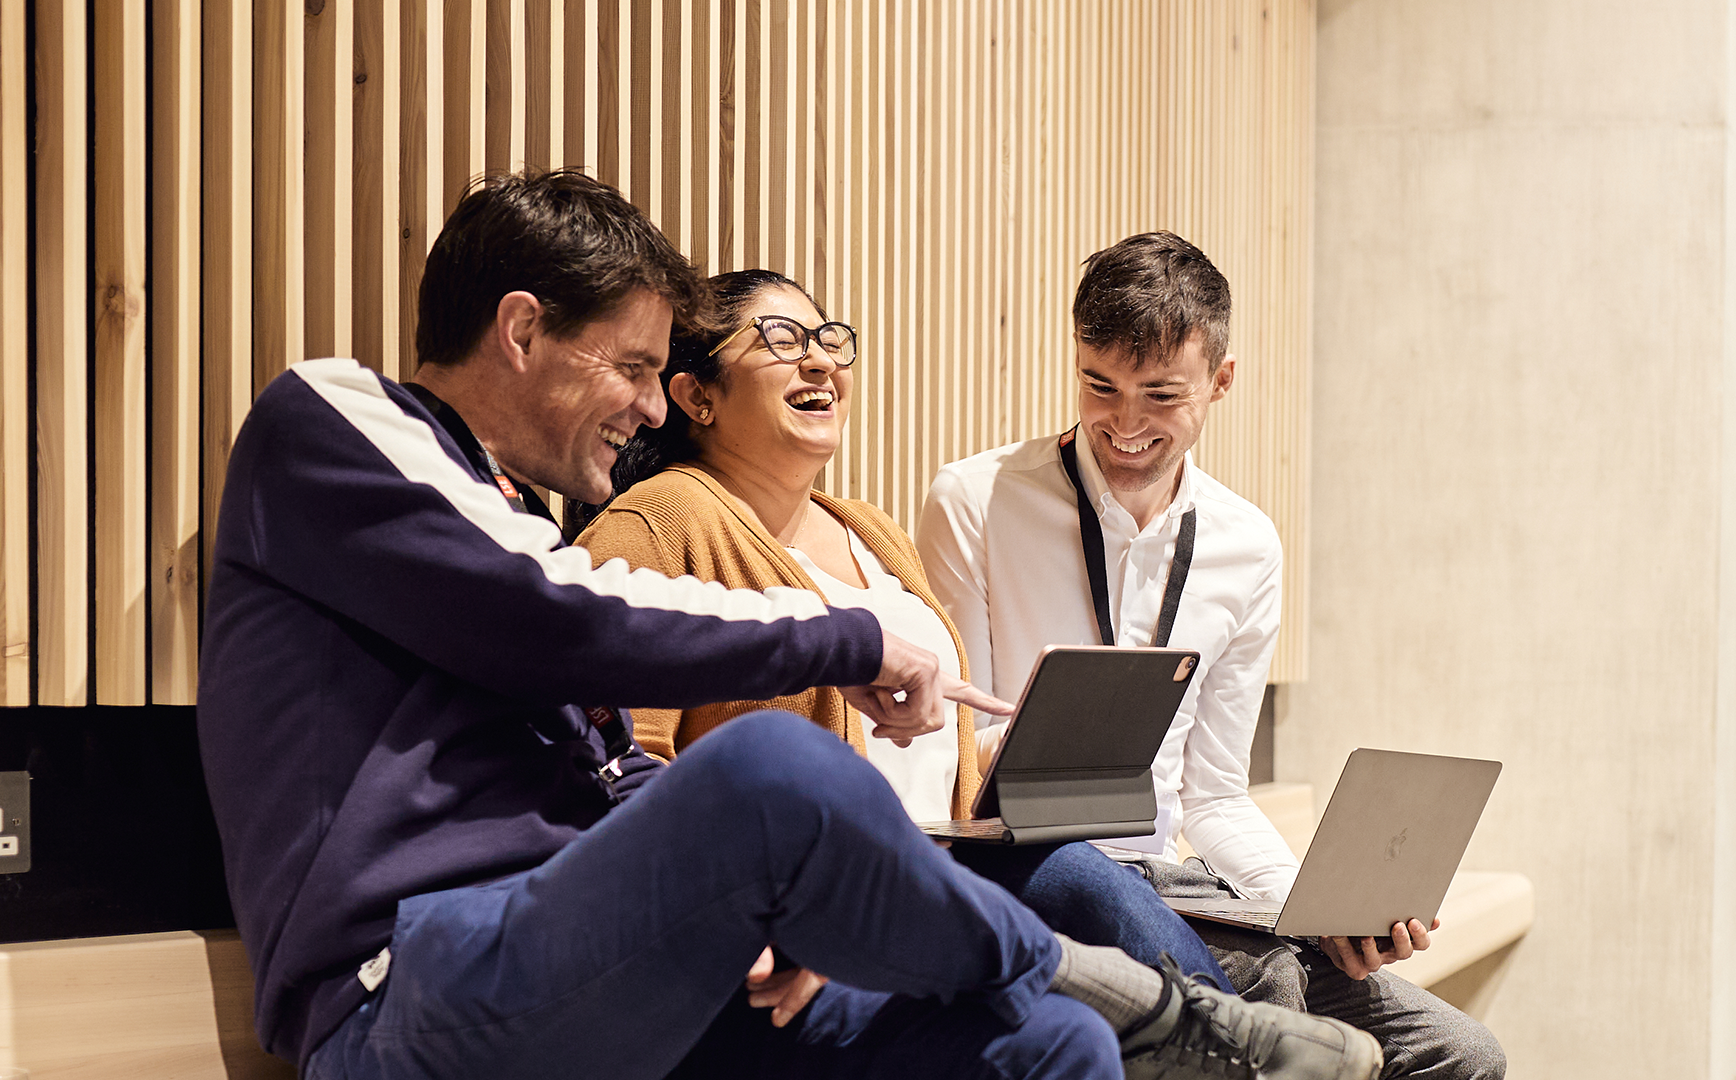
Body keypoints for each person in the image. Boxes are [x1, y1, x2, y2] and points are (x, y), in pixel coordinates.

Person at [195, 172, 1382, 1080]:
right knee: (776, 765)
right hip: (405, 989)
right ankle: (1157, 1004)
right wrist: (851, 640)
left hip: (605, 961)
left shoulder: (526, 521)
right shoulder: (335, 422)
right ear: (520, 331)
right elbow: (564, 618)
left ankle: (1107, 1004)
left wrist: (771, 899)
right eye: (640, 370)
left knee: (1044, 1050)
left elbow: (614, 775)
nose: (654, 408)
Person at [916, 230, 1507, 1079]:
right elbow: (949, 760)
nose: (1124, 424)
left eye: (1160, 395)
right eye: (1098, 385)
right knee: (1270, 989)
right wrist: (1026, 749)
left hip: (1180, 887)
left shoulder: (1246, 543)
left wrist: (1320, 906)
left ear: (1221, 380)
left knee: (1462, 1053)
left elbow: (1215, 795)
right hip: (1034, 873)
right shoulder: (976, 501)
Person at [572, 266, 1241, 996]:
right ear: (698, 395)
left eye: (829, 338)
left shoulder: (870, 528)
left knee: (1084, 877)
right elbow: (622, 768)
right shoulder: (656, 527)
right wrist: (763, 915)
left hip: (941, 870)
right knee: (1094, 906)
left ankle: (1235, 1033)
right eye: (782, 339)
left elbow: (928, 762)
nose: (822, 359)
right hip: (821, 903)